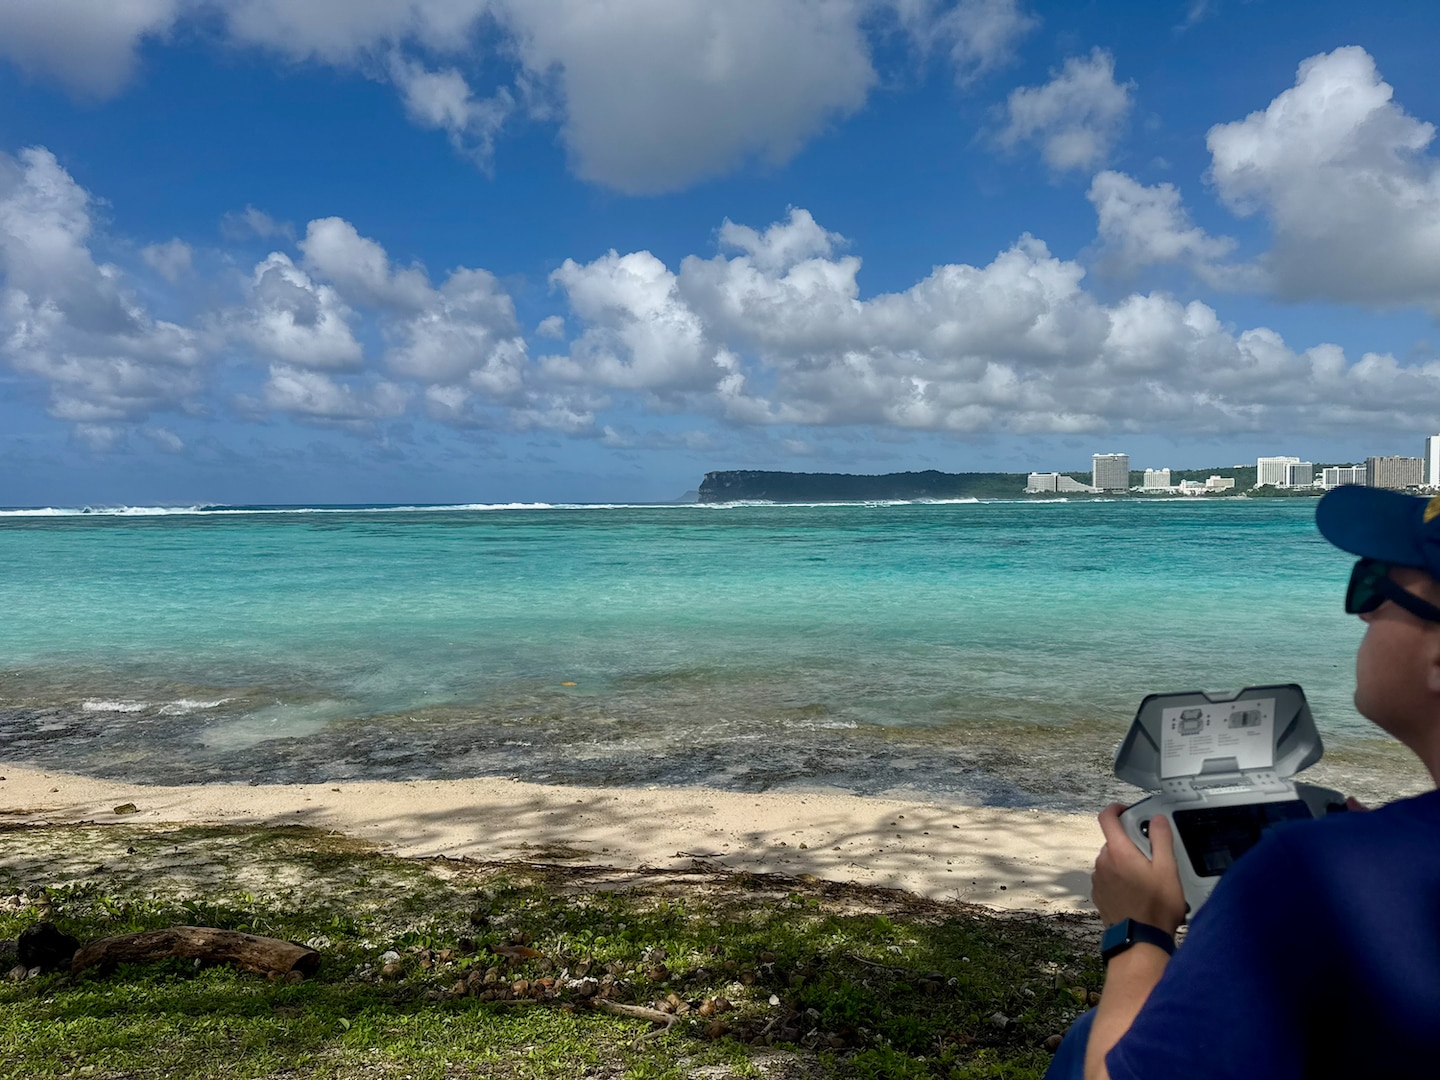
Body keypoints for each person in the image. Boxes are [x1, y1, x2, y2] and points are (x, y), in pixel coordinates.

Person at [1045, 484, 1440, 1080]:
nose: (1361, 608)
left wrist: (1139, 928)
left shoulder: (1310, 872)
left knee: (1088, 1043)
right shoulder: (1362, 865)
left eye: (1373, 582)